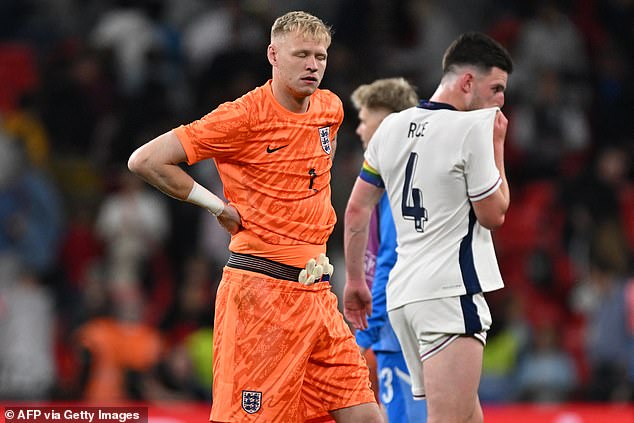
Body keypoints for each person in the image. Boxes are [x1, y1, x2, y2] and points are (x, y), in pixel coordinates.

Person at [128, 10, 381, 423]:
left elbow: (311, 173)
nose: (313, 66)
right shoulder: (242, 116)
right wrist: (217, 207)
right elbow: (146, 161)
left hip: (317, 296)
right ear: (273, 55)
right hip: (261, 297)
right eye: (301, 55)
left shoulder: (330, 109)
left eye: (320, 57)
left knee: (367, 416)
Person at [343, 32, 513, 423]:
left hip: (405, 299)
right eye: (496, 88)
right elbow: (494, 214)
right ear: (467, 82)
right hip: (449, 296)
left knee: (469, 417)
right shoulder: (472, 129)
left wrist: (355, 281)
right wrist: (498, 146)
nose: (500, 101)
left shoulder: (391, 128)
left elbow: (356, 210)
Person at [350, 78, 428, 422]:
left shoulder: (400, 187)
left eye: (365, 119)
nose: (359, 129)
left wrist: (363, 335)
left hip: (396, 335)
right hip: (404, 328)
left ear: (387, 125)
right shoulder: (403, 177)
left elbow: (391, 264)